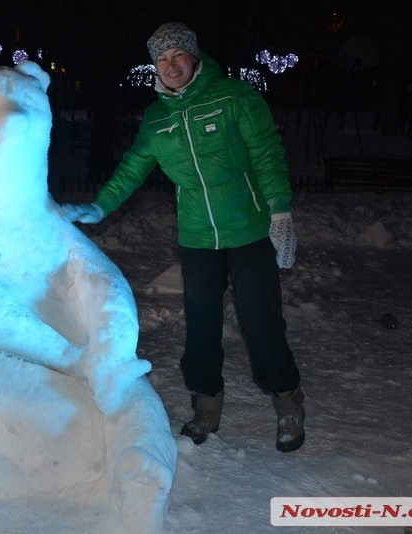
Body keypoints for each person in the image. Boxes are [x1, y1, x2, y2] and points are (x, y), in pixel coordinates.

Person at [59, 22, 305, 452]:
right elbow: (133, 167)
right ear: (155, 65)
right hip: (197, 238)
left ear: (193, 58)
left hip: (248, 230)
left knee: (262, 323)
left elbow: (267, 153)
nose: (170, 66)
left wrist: (279, 209)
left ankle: (287, 400)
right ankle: (206, 404)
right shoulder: (157, 119)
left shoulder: (235, 97)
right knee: (201, 328)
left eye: (177, 56)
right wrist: (100, 206)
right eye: (162, 59)